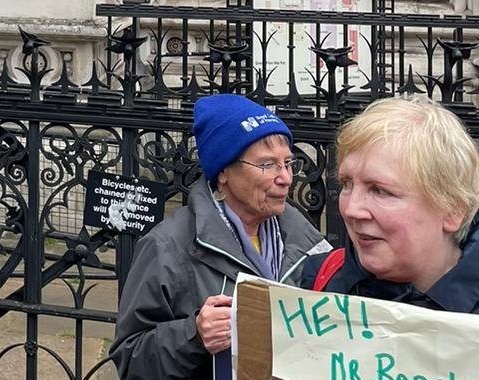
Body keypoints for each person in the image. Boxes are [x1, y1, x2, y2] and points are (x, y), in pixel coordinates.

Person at [110, 94, 329, 380]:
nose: (285, 177)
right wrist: (195, 335)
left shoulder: (306, 240)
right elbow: (130, 359)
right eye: (267, 165)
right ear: (224, 171)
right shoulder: (167, 247)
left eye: (288, 163)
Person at [298, 95, 479, 312]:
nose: (351, 209)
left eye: (379, 190)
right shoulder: (320, 279)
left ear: (452, 209)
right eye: (347, 183)